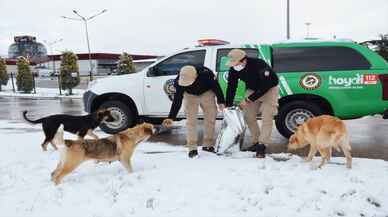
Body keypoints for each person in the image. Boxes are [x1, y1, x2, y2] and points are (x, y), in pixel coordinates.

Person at [225, 49, 279, 158]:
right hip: (252, 89)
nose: (234, 66)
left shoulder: (259, 64)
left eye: (236, 63)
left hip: (269, 89)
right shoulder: (234, 69)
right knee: (248, 116)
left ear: (243, 60)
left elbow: (265, 86)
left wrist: (248, 100)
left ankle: (262, 145)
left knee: (267, 117)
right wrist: (228, 104)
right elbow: (231, 86)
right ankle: (256, 142)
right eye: (233, 64)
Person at [162, 65, 225, 158]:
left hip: (207, 93)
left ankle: (208, 145)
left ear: (196, 77)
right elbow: (177, 100)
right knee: (191, 121)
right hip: (190, 96)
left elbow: (217, 87)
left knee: (210, 118)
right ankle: (192, 148)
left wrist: (221, 102)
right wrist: (171, 117)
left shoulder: (206, 75)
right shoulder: (179, 82)